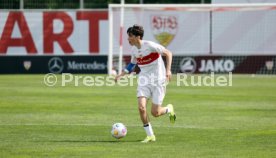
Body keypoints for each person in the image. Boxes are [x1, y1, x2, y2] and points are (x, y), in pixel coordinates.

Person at [115, 24, 176, 143]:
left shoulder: (150, 45)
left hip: (158, 80)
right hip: (144, 80)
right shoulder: (134, 50)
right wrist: (120, 75)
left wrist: (168, 70)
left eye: (130, 36)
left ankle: (169, 109)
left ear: (138, 37)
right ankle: (150, 135)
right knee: (141, 107)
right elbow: (132, 64)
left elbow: (168, 53)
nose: (128, 39)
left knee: (155, 113)